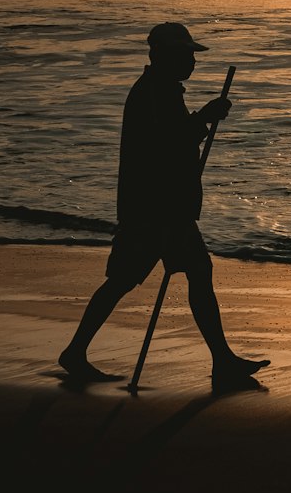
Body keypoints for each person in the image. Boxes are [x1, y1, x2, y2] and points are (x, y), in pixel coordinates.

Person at [58, 21, 269, 392]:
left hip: (161, 207)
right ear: (166, 56)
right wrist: (204, 118)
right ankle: (220, 361)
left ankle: (221, 359)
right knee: (132, 279)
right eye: (186, 54)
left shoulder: (162, 90)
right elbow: (166, 145)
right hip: (155, 209)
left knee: (189, 273)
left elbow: (171, 140)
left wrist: (200, 120)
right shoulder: (154, 92)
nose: (192, 61)